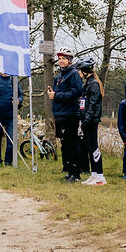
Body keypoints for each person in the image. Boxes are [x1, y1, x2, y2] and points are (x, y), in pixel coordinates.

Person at [47, 47, 82, 182]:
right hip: (60, 113)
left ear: (70, 60)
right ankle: (69, 171)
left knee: (73, 143)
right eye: (59, 58)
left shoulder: (73, 74)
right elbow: (58, 94)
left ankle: (76, 173)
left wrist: (57, 95)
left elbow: (77, 92)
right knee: (65, 144)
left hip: (70, 113)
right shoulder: (60, 76)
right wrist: (53, 93)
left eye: (64, 59)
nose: (61, 61)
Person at [75, 57, 106, 186]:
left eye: (79, 71)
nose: (78, 73)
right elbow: (84, 103)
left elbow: (93, 105)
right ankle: (93, 174)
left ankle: (100, 176)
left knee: (94, 148)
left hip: (91, 121)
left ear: (85, 71)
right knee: (89, 147)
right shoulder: (87, 83)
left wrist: (86, 120)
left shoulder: (93, 84)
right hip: (86, 119)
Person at [0, 71, 23, 166]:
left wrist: (19, 100)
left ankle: (8, 162)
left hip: (11, 116)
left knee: (11, 140)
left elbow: (20, 95)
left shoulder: (14, 81)